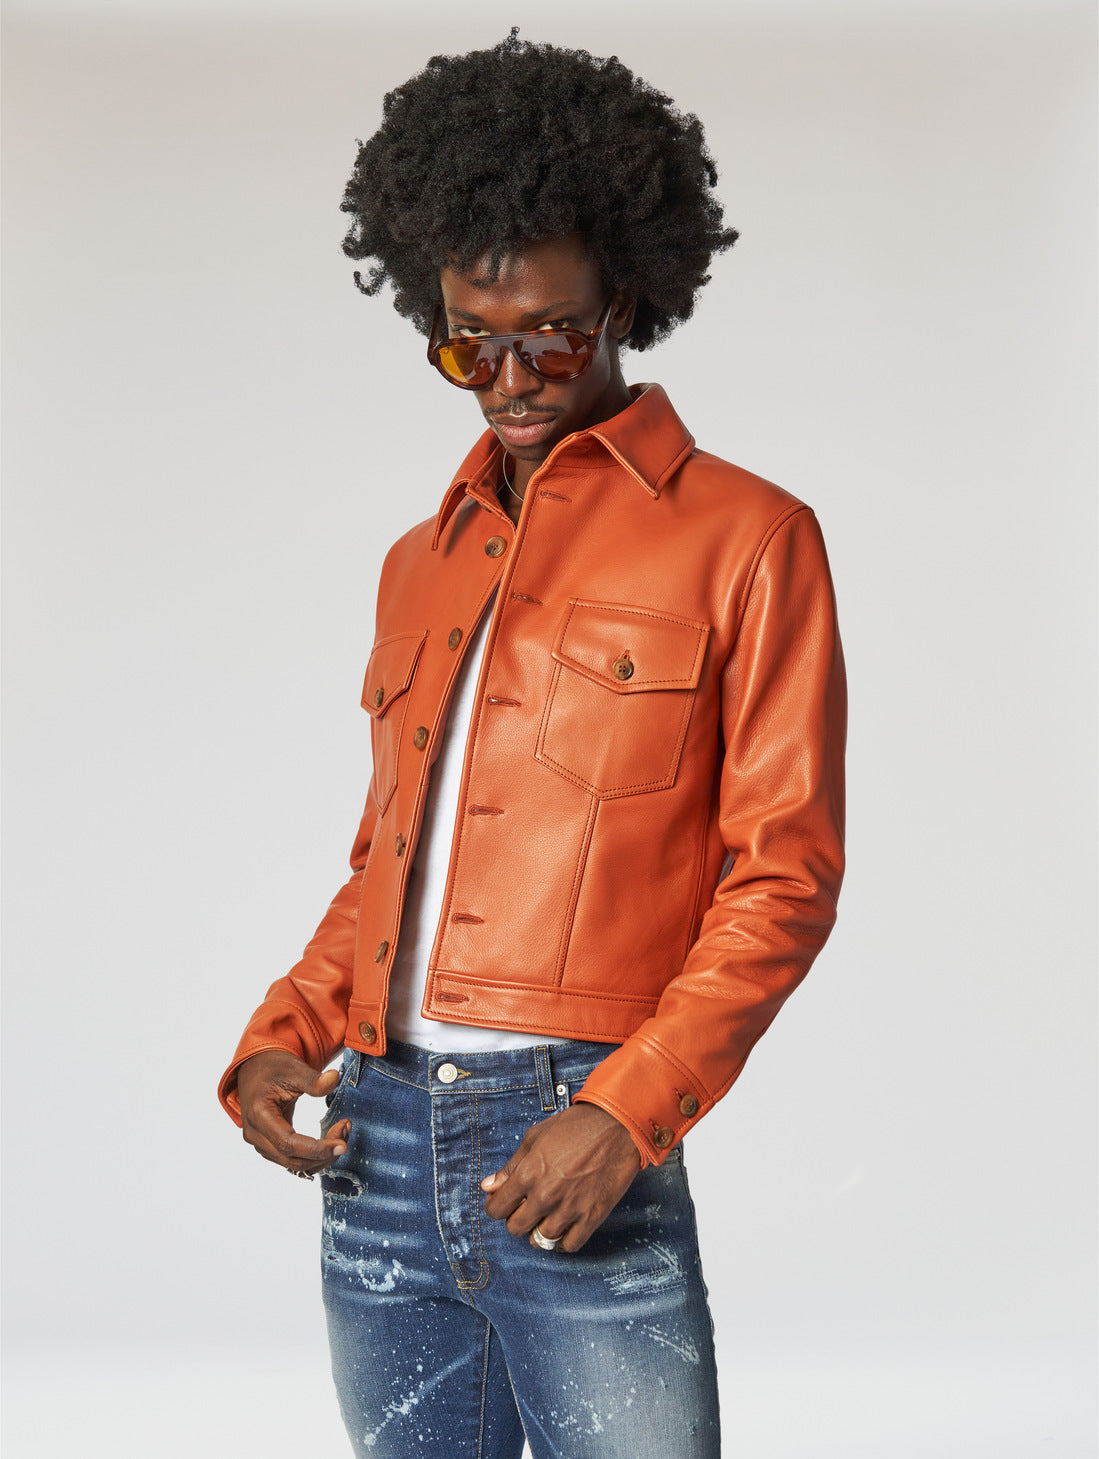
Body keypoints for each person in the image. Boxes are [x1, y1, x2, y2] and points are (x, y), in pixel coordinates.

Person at [219, 31, 845, 1459]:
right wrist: (285, 1031)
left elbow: (784, 878)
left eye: (548, 338)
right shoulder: (419, 561)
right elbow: (392, 863)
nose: (507, 378)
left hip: (574, 1133)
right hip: (375, 1147)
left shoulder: (750, 539)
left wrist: (625, 1117)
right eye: (468, 344)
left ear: (624, 299)